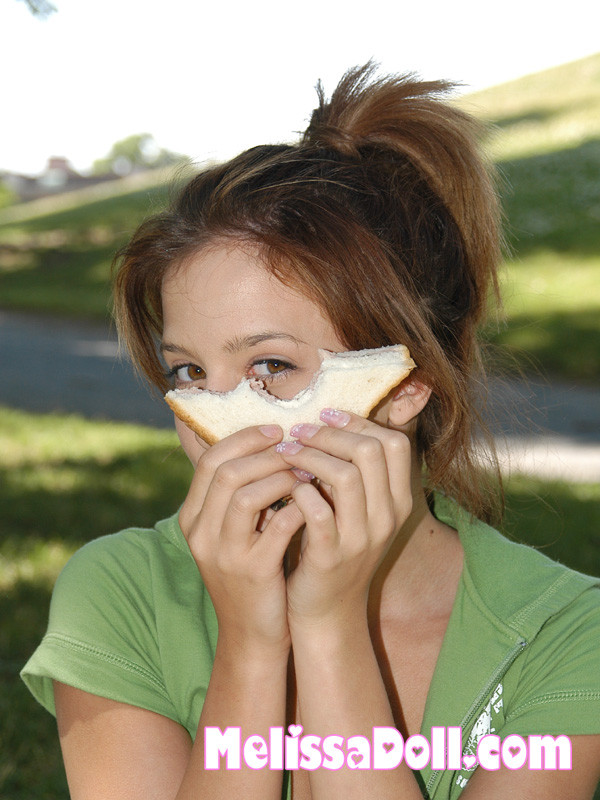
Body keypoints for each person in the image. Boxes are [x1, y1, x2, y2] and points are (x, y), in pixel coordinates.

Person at [22, 63, 600, 799]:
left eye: (271, 365)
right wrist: (251, 644)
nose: (212, 426)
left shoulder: (567, 632)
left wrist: (329, 627)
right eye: (190, 373)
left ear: (405, 384)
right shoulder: (120, 591)